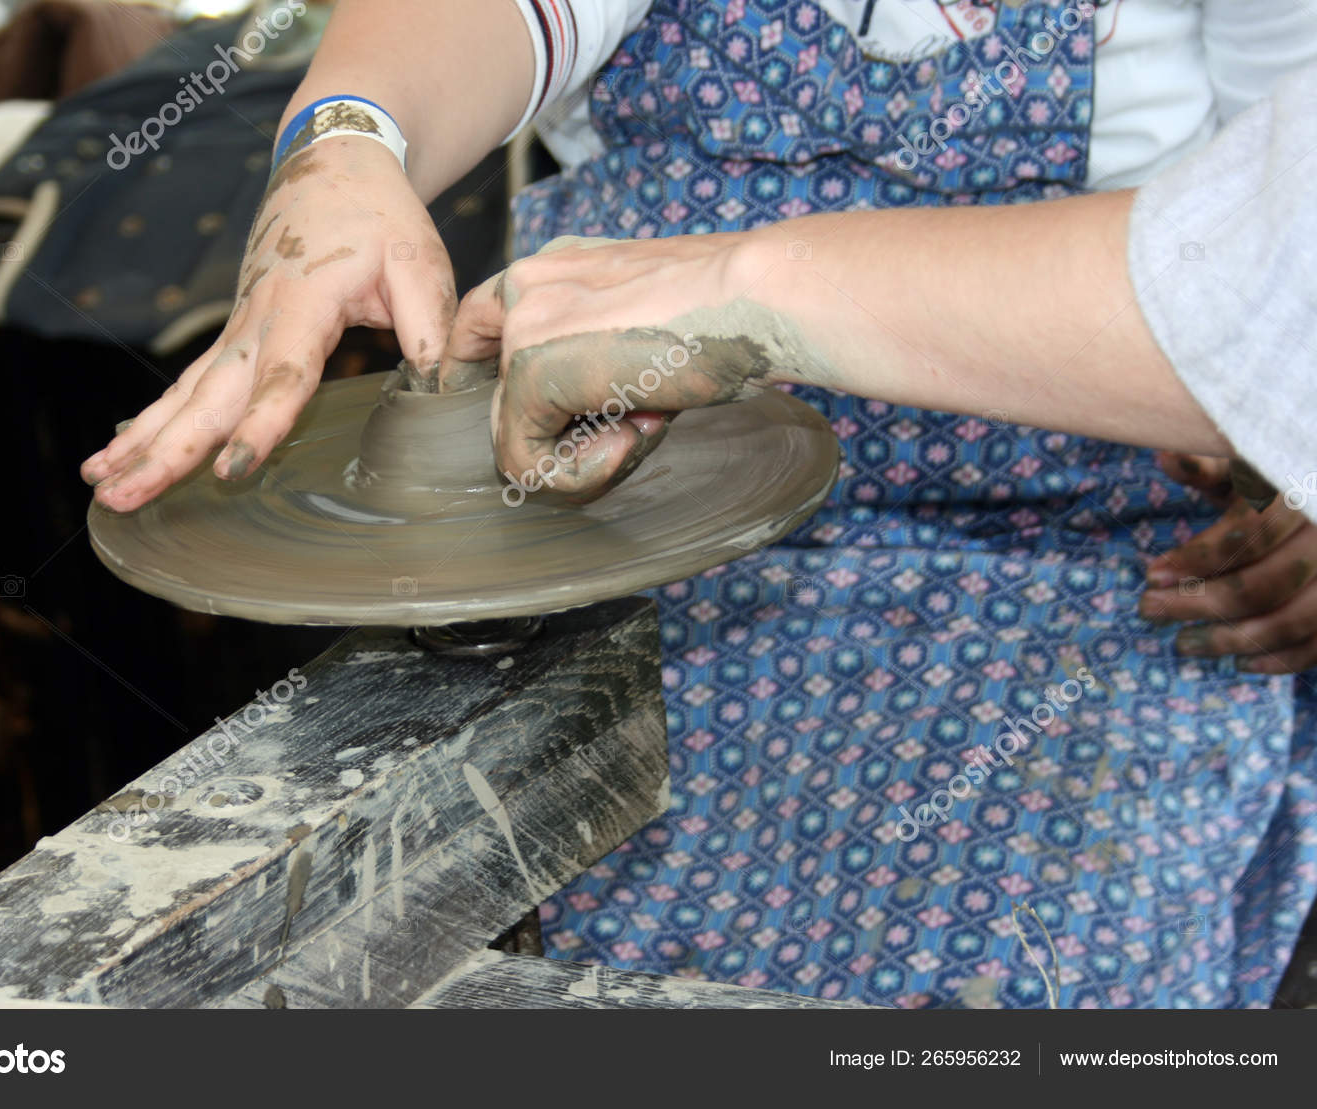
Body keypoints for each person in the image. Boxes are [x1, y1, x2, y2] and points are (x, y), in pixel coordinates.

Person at [83, 1, 1317, 1007]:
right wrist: (348, 138)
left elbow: (1284, 226)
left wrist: (1296, 440)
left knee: (1009, 986)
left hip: (1072, 556)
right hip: (633, 523)